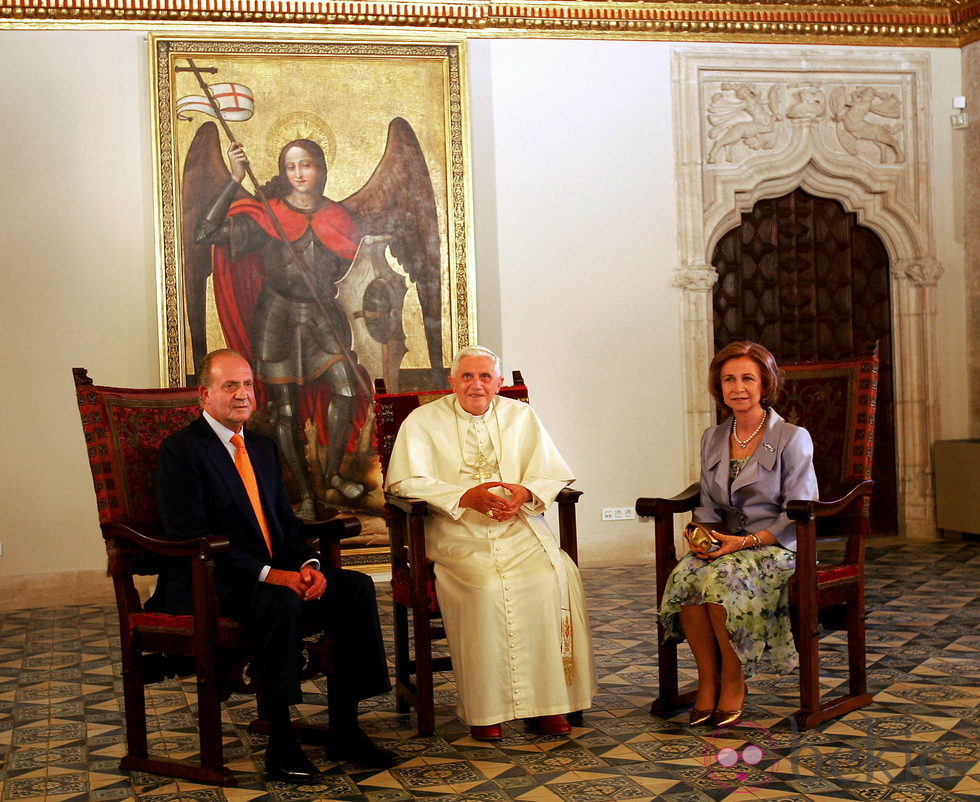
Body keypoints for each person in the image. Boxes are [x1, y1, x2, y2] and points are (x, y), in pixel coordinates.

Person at [147, 348, 396, 782]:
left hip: (267, 578)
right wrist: (271, 575)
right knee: (279, 601)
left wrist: (309, 563)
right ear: (204, 395)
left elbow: (285, 522)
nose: (243, 394)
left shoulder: (261, 446)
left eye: (247, 384)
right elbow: (189, 534)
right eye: (230, 386)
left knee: (353, 588)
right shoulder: (182, 451)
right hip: (209, 581)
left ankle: (346, 728)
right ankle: (281, 743)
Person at [385, 345, 596, 741]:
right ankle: (487, 709)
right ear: (452, 382)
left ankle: (548, 705)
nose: (476, 385)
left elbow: (550, 473)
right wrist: (464, 497)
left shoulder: (522, 416)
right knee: (484, 588)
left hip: (519, 528)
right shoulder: (422, 421)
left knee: (553, 578)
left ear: (499, 383)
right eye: (467, 377)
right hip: (456, 532)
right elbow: (404, 482)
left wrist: (524, 492)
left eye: (485, 377)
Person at [196, 139, 367, 517]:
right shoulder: (268, 215)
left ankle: (333, 474)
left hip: (324, 316)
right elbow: (206, 234)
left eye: (306, 165)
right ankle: (306, 493)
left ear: (321, 168)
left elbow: (365, 267)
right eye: (291, 167)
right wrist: (235, 178)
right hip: (277, 318)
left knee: (344, 386)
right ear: (284, 173)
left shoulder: (338, 218)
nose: (300, 174)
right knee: (285, 410)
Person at [658, 341, 818, 728]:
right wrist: (704, 535)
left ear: (764, 383)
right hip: (726, 546)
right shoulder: (713, 436)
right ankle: (707, 679)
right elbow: (709, 502)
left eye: (747, 378)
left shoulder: (792, 437)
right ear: (719, 386)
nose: (738, 387)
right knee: (687, 574)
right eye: (729, 379)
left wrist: (744, 543)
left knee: (722, 579)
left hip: (778, 546)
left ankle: (733, 678)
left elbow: (800, 510)